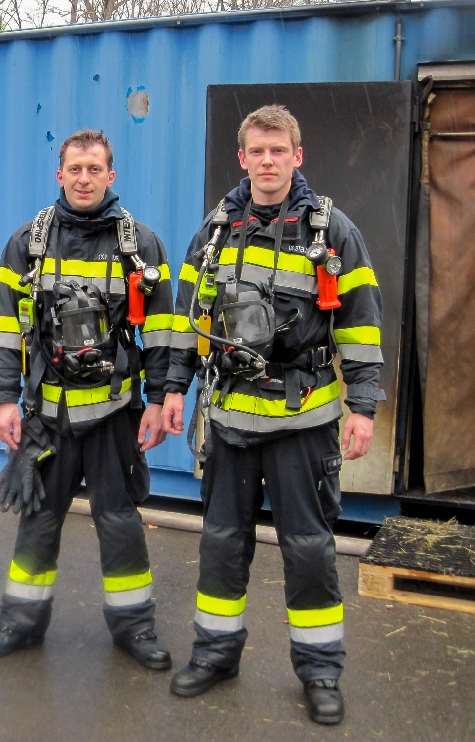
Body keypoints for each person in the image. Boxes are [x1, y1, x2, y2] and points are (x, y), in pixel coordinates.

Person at [162, 105, 384, 725]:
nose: (267, 161)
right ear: (242, 159)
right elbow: (188, 321)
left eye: (278, 150)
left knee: (308, 548)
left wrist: (363, 407)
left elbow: (361, 323)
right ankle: (215, 655)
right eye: (257, 151)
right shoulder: (214, 233)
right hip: (231, 418)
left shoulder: (331, 230)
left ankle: (320, 671)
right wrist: (175, 389)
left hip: (304, 419)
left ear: (296, 156)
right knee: (221, 543)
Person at [0, 129, 176, 670]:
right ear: (59, 175)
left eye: (94, 169)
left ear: (111, 175)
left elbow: (161, 332)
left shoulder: (141, 244)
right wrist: (5, 400)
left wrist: (159, 401)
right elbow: (3, 328)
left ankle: (135, 629)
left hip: (115, 414)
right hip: (48, 415)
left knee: (120, 522)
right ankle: (19, 624)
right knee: (38, 522)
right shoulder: (27, 242)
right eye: (75, 169)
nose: (84, 179)